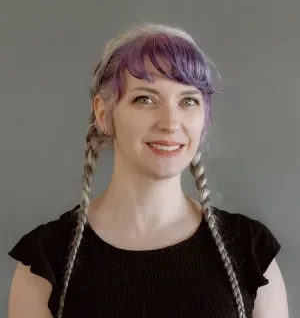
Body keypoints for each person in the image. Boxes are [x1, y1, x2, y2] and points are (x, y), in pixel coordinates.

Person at [8, 23, 288, 318]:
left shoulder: (251, 253)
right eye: (145, 99)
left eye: (188, 101)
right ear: (104, 114)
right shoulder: (44, 262)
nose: (170, 122)